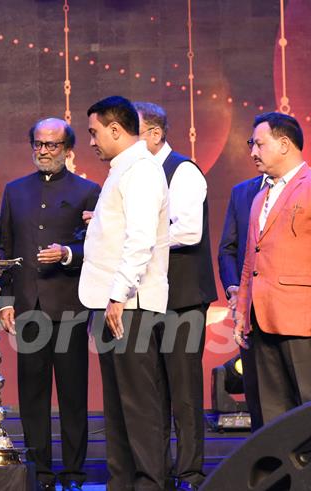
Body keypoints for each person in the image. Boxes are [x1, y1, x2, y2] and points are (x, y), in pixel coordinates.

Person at [0, 117, 99, 490]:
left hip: (70, 305)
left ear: (68, 150)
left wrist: (69, 252)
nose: (43, 151)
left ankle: (73, 472)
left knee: (72, 396)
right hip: (28, 307)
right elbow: (4, 247)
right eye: (38, 144)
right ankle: (40, 472)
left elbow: (100, 246)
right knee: (32, 396)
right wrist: (5, 301)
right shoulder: (16, 190)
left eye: (51, 145)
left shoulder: (88, 191)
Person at [235, 112, 311, 427]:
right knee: (268, 414)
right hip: (260, 320)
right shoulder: (260, 195)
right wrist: (241, 313)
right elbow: (251, 260)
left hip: (302, 318)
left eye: (259, 144)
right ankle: (278, 476)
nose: (253, 152)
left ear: (284, 144)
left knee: (310, 407)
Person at [78, 96, 170, 490]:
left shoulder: (143, 171)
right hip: (111, 303)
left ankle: (149, 483)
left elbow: (140, 240)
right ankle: (122, 483)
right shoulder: (122, 170)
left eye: (94, 132)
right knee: (116, 408)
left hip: (128, 305)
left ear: (116, 130)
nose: (92, 141)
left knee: (138, 406)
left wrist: (117, 296)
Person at [134, 102, 217, 489]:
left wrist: (138, 230)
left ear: (153, 134)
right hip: (150, 297)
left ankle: (190, 473)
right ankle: (157, 473)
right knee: (153, 392)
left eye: (134, 134)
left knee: (183, 393)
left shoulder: (182, 170)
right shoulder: (140, 176)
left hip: (182, 298)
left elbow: (188, 231)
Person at [217, 153, 268, 431]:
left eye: (260, 143)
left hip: (291, 310)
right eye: (251, 144)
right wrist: (234, 288)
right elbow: (227, 249)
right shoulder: (243, 192)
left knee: (297, 392)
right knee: (257, 391)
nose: (253, 151)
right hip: (248, 312)